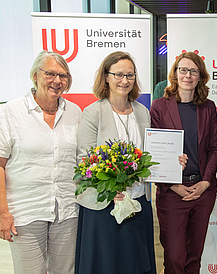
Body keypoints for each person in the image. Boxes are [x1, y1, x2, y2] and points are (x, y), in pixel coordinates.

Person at [74, 51, 156, 274]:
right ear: (106, 77)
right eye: (119, 74)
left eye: (130, 75)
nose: (125, 80)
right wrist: (111, 190)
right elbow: (84, 161)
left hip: (138, 204)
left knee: (136, 266)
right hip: (103, 208)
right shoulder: (93, 113)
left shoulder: (142, 112)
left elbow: (150, 155)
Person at [0, 51, 81, 273]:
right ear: (36, 75)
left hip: (67, 210)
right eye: (50, 74)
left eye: (63, 76)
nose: (57, 81)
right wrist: (2, 212)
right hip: (26, 211)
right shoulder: (10, 112)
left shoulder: (75, 113)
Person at [150, 51, 217, 274]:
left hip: (202, 193)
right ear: (175, 74)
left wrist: (206, 182)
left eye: (193, 71)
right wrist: (172, 185)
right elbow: (154, 152)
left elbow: (213, 149)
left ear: (200, 76)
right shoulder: (160, 106)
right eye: (183, 70)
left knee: (193, 257)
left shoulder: (208, 107)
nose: (187, 75)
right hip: (172, 193)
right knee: (174, 258)